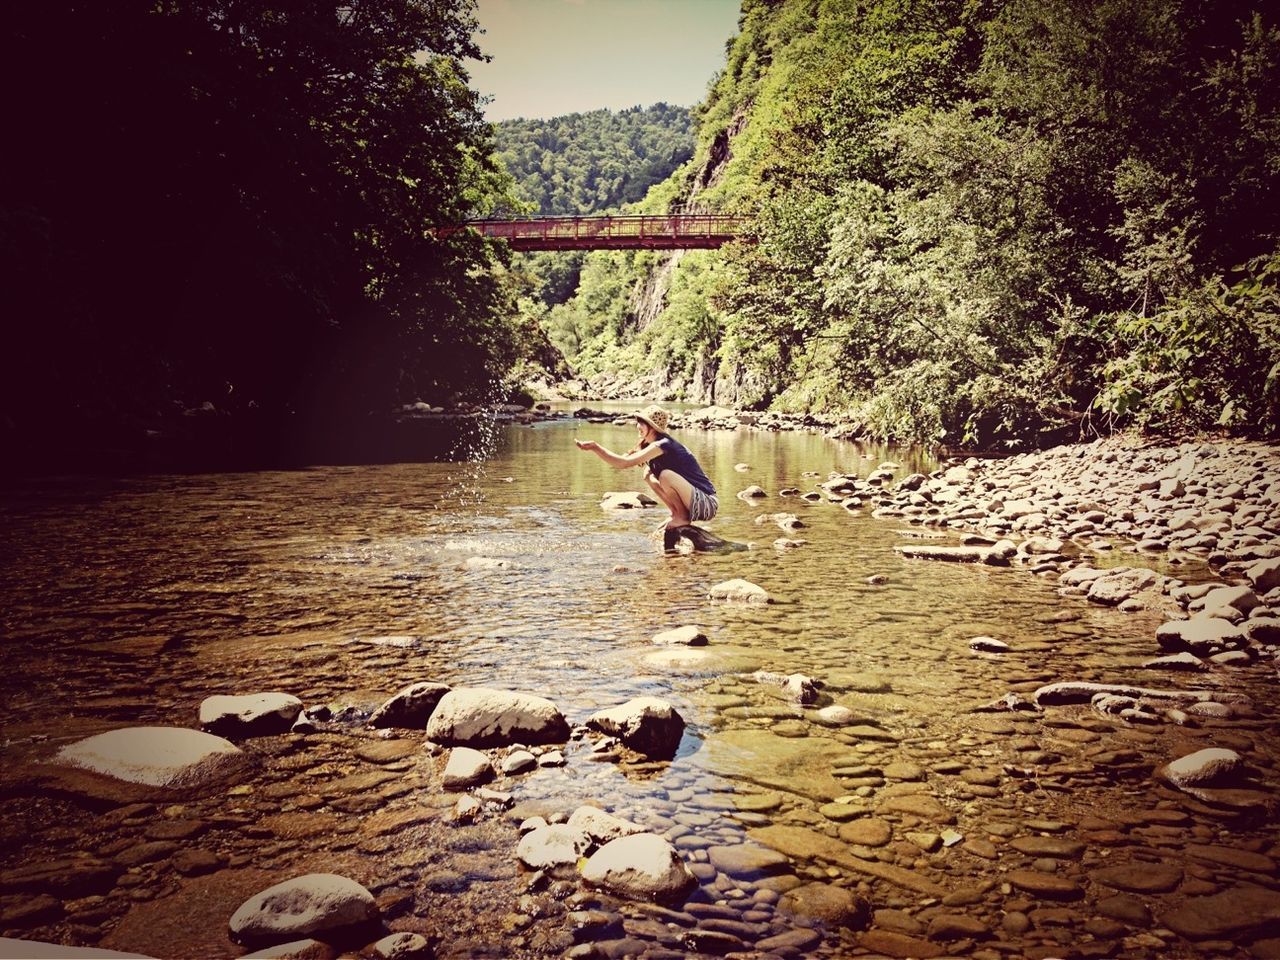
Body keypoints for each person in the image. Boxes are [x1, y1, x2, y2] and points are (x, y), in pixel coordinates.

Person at [575, 405, 718, 531]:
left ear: (652, 427)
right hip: (696, 501)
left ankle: (682, 517)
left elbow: (624, 463)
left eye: (642, 423)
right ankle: (676, 513)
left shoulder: (663, 444)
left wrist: (595, 447)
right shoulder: (649, 445)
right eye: (638, 422)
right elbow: (621, 460)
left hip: (707, 503)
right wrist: (596, 449)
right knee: (648, 474)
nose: (638, 426)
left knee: (666, 475)